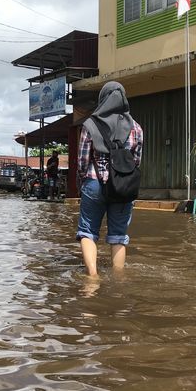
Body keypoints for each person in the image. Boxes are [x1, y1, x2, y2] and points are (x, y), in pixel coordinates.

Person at [76, 81, 143, 277]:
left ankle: (93, 276)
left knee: (88, 232)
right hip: (122, 187)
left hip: (94, 183)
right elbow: (136, 161)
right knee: (119, 236)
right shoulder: (136, 128)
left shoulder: (90, 124)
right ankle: (118, 280)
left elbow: (82, 161)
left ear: (102, 99)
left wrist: (84, 184)